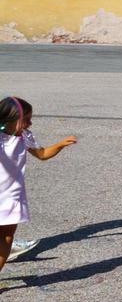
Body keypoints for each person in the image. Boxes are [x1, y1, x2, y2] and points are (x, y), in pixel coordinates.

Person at [0, 97, 75, 279]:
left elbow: (42, 154)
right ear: (12, 118)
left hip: (12, 196)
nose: (30, 123)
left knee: (7, 237)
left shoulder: (25, 136)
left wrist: (60, 145)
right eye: (27, 119)